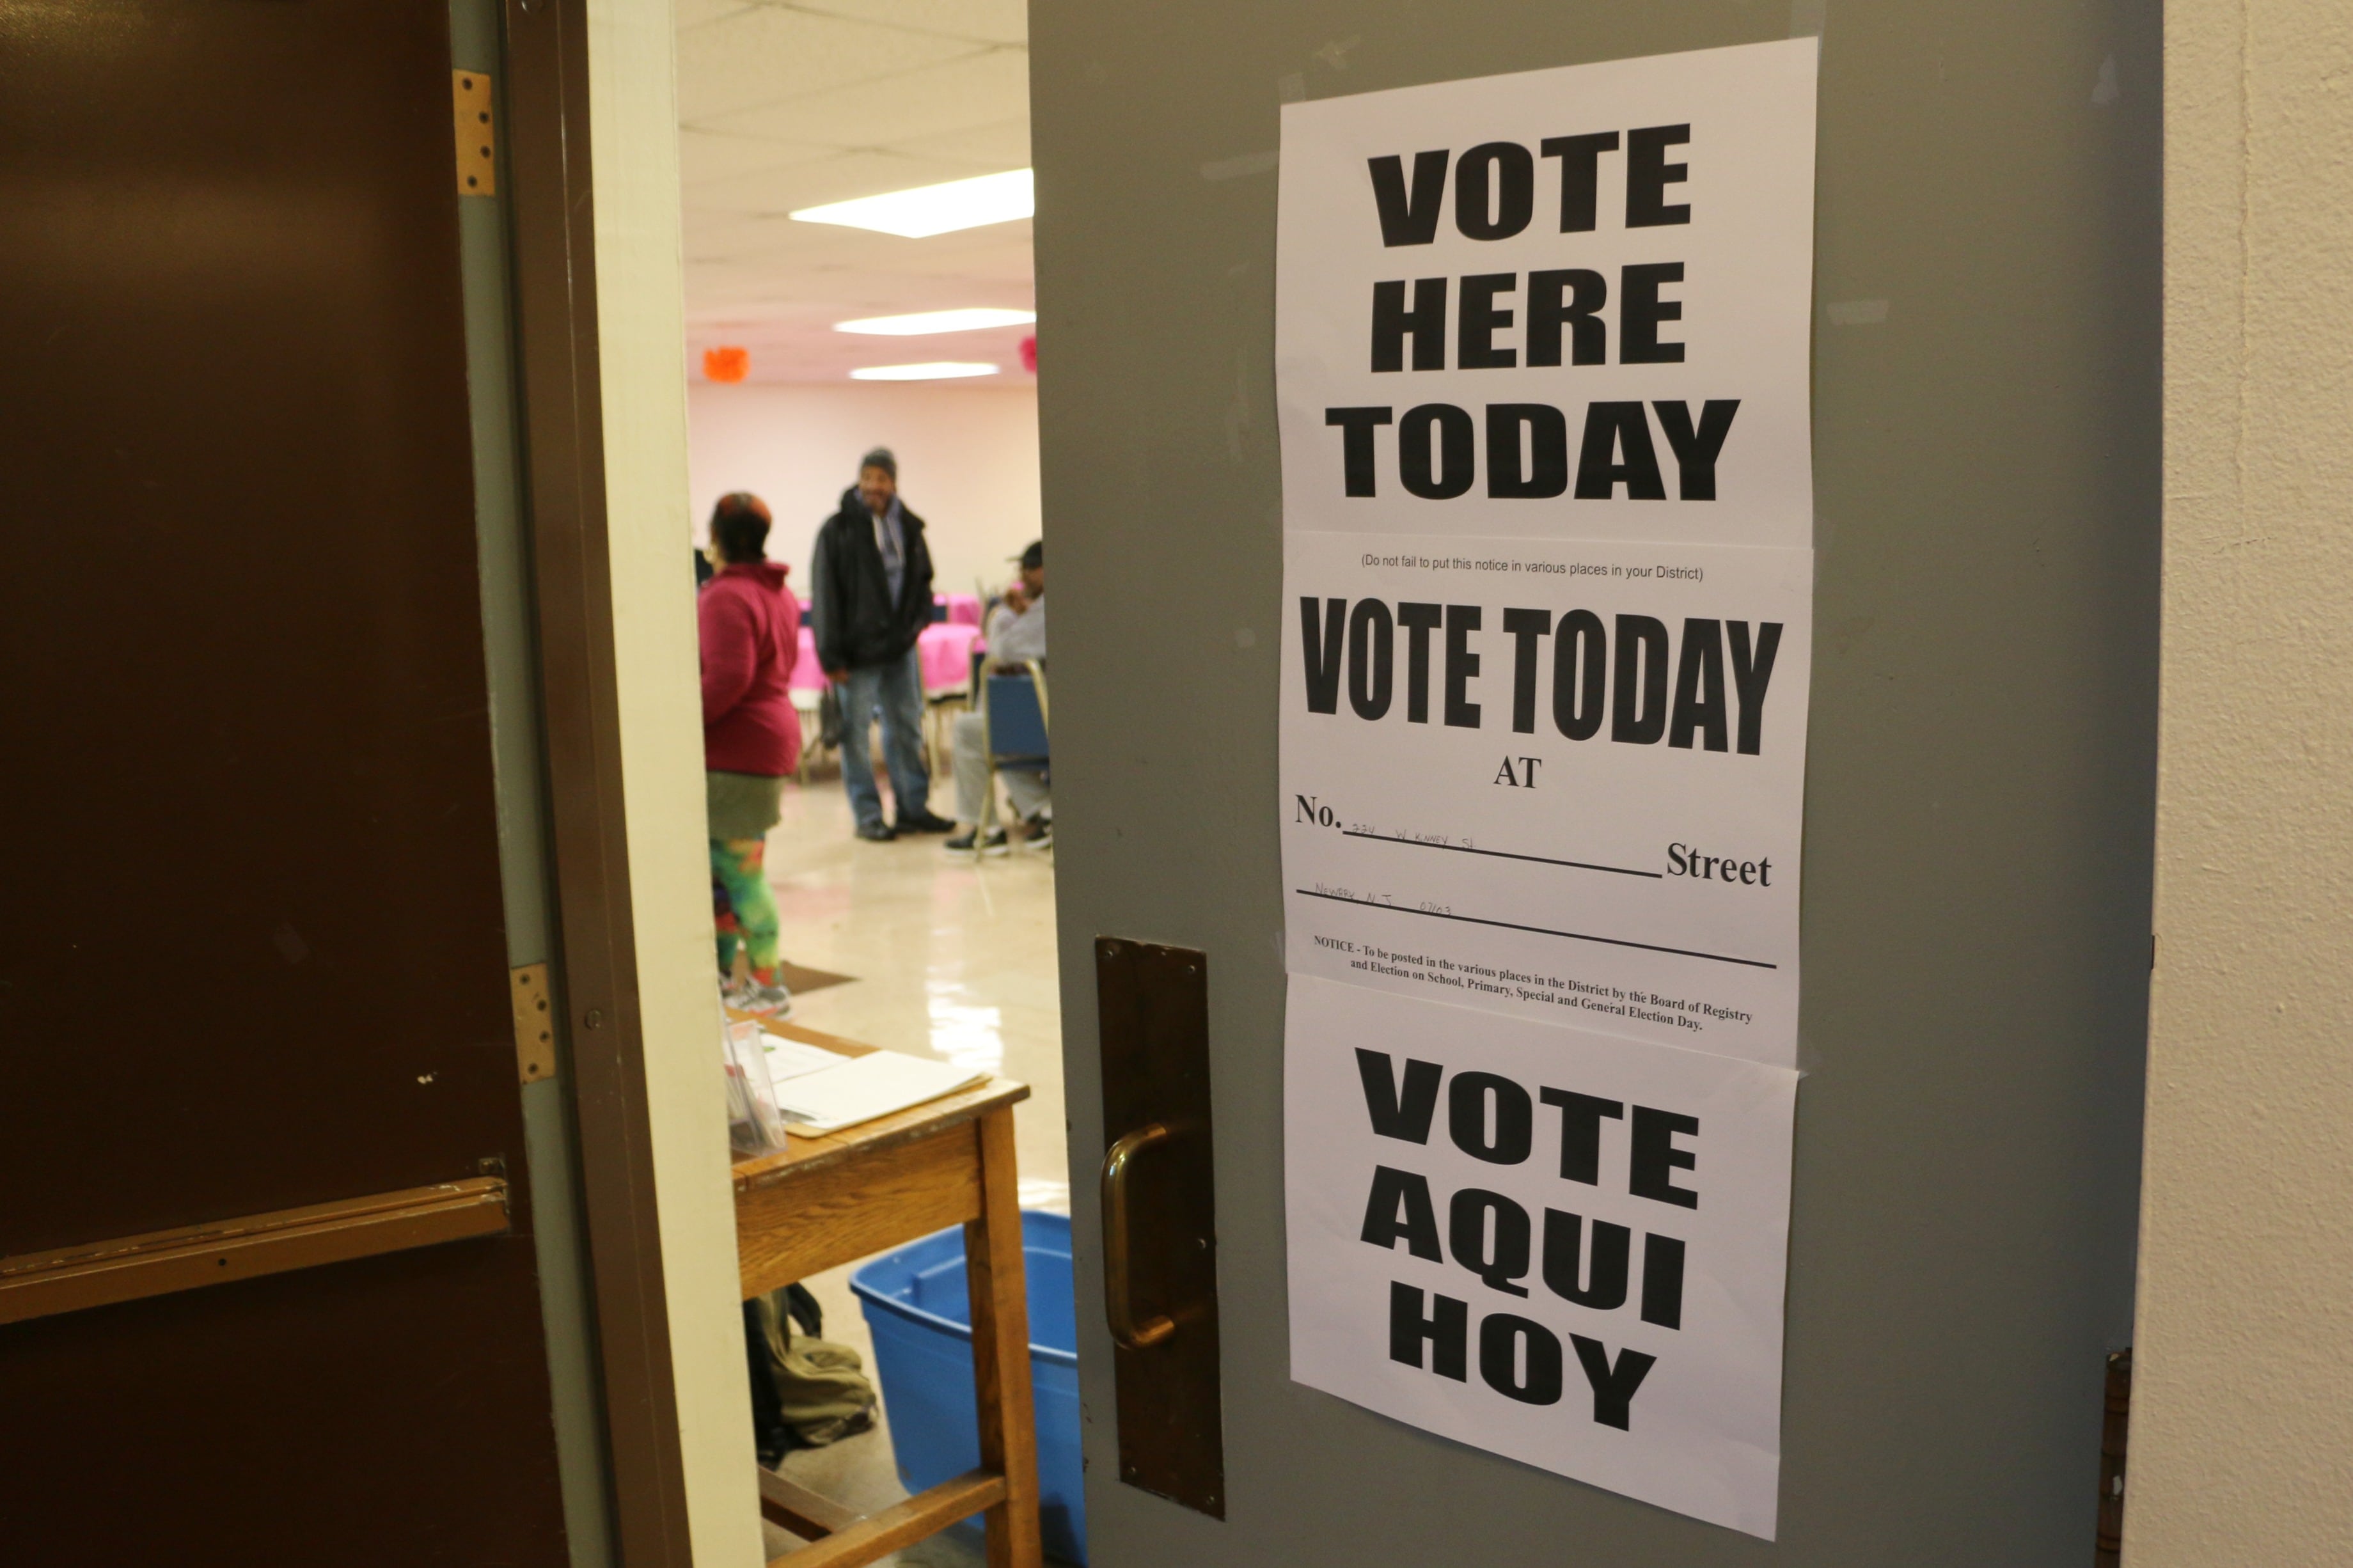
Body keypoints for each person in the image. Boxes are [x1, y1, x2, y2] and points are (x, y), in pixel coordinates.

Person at [810, 447, 956, 841]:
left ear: (893, 483)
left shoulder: (909, 527)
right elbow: (824, 595)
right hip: (854, 654)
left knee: (906, 726)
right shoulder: (837, 530)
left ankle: (912, 807)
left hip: (899, 648)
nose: (874, 485)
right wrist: (830, 655)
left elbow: (923, 580)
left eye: (882, 478)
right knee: (855, 736)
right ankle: (868, 816)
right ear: (859, 481)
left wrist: (916, 624)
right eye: (868, 477)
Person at [700, 492, 801, 1016]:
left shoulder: (725, 596)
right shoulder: (775, 591)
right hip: (764, 743)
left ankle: (768, 986)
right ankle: (717, 981)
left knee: (741, 873)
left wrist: (673, 725)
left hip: (736, 752)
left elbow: (726, 680)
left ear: (716, 536)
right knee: (720, 875)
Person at [946, 542, 1050, 856]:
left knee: (971, 730)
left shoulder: (1049, 605)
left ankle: (986, 828)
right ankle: (1045, 811)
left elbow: (1002, 650)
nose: (1022, 578)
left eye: (1028, 570)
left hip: (1046, 723)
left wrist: (1003, 616)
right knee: (998, 733)